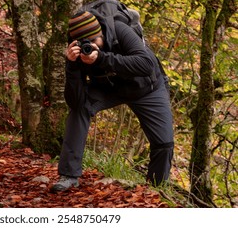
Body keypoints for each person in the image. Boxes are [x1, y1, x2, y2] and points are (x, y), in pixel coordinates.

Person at [51, 10, 174, 192]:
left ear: (100, 32)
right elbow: (75, 101)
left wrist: (101, 58)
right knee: (81, 108)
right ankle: (69, 175)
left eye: (94, 41)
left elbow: (146, 64)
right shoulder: (76, 51)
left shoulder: (120, 30)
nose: (91, 46)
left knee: (164, 143)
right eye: (86, 43)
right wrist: (72, 65)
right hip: (109, 88)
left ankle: (156, 189)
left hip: (147, 88)